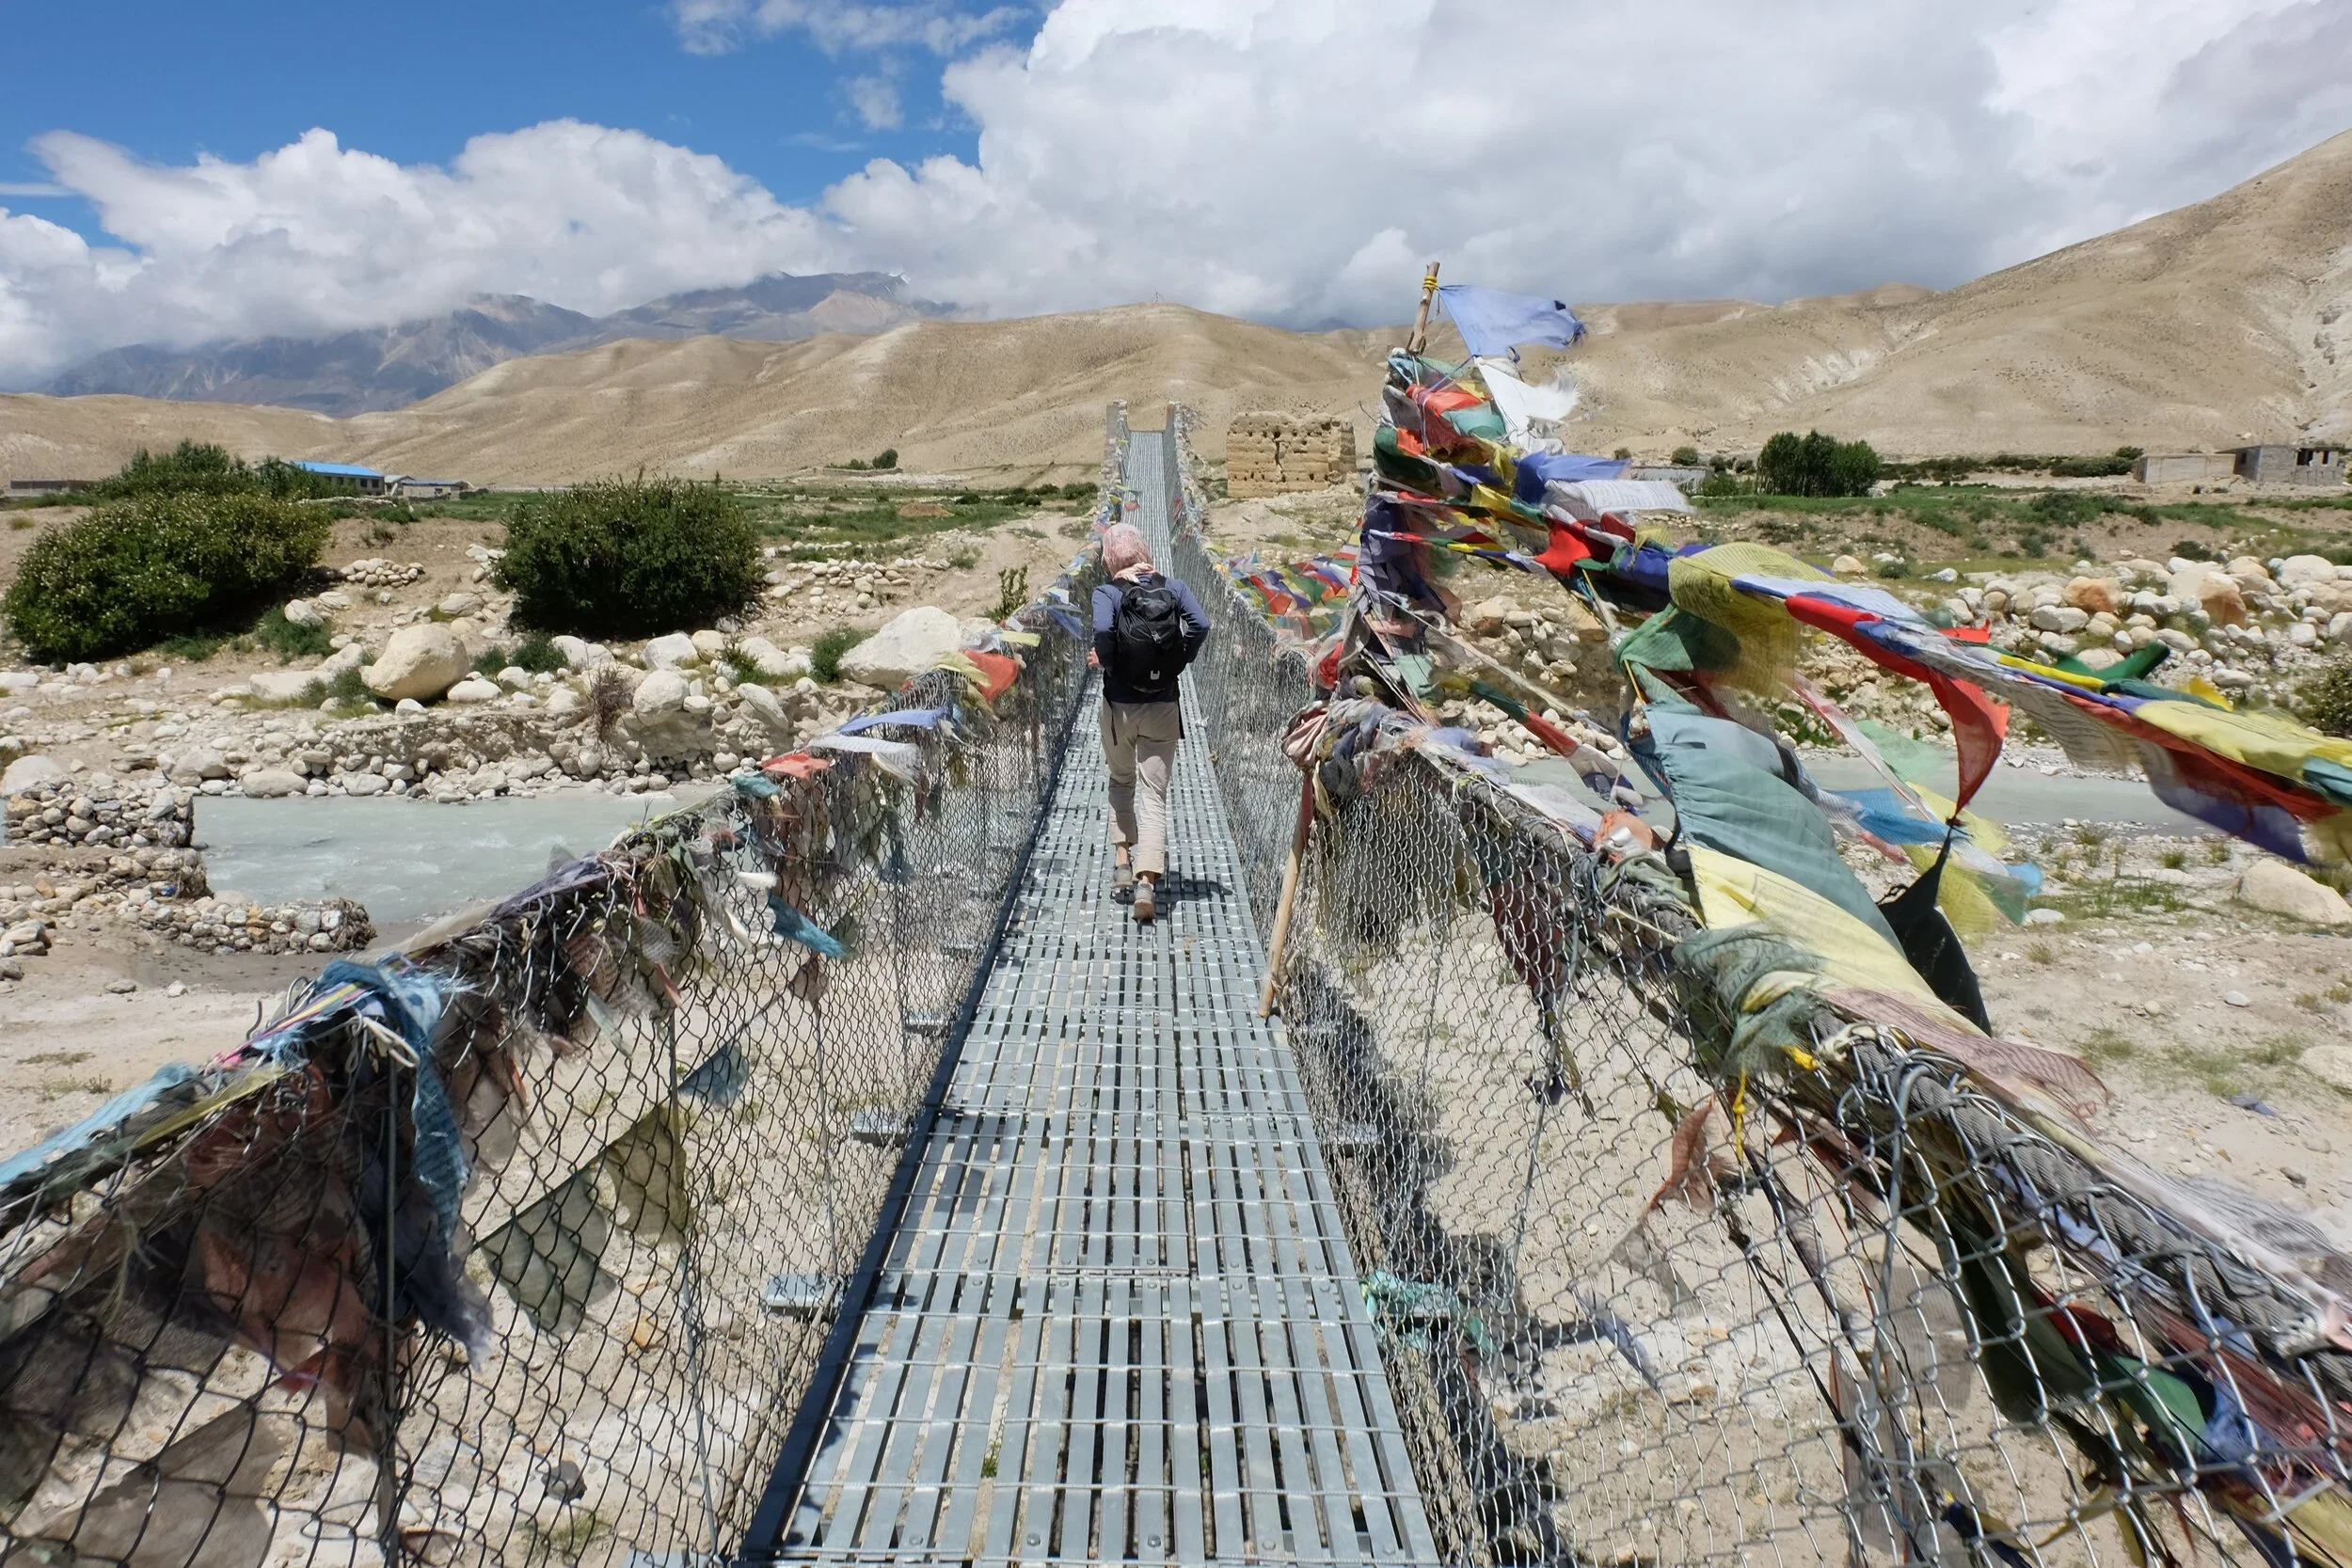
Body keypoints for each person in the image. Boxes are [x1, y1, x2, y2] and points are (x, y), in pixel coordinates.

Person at [1090, 523, 1209, 924]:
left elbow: (1104, 630)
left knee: (1121, 782)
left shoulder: (1106, 592)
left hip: (1119, 704)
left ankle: (1122, 862)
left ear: (1109, 557)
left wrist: (1109, 662)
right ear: (1144, 550)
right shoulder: (1173, 587)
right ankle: (1146, 884)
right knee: (1154, 796)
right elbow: (1201, 625)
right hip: (1163, 705)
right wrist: (1179, 659)